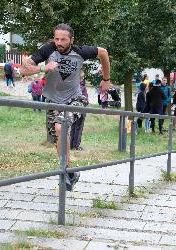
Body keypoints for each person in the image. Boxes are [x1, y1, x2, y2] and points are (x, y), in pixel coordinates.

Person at [19, 23, 111, 191]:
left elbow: (103, 52)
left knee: (61, 125)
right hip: (53, 100)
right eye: (56, 39)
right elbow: (23, 70)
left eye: (63, 39)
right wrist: (42, 67)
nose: (59, 42)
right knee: (57, 138)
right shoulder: (48, 50)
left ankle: (66, 173)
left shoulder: (80, 51)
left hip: (75, 98)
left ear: (71, 40)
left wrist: (106, 79)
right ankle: (69, 173)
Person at [70, 72, 89, 151]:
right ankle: (76, 146)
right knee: (78, 128)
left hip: (72, 109)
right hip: (80, 109)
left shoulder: (71, 85)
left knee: (73, 127)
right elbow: (85, 100)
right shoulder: (82, 87)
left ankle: (71, 145)